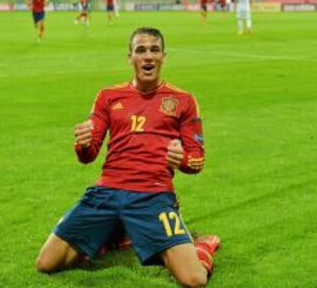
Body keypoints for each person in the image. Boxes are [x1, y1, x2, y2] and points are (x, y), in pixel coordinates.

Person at [35, 27, 220, 287]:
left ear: (163, 56)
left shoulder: (184, 100)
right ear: (130, 57)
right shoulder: (108, 96)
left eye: (154, 50)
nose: (148, 56)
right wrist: (83, 144)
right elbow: (87, 156)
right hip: (106, 192)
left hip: (153, 195)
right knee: (46, 263)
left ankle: (201, 245)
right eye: (141, 50)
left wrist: (182, 159)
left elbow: (197, 160)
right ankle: (116, 233)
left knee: (194, 280)